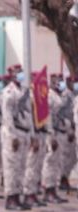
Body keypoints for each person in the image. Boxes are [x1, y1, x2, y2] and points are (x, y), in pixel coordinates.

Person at [1, 64, 33, 210]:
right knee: (11, 167)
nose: (19, 74)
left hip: (24, 132)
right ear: (12, 75)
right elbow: (7, 116)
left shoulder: (25, 91)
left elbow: (29, 114)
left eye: (21, 71)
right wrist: (12, 136)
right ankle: (10, 199)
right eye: (17, 72)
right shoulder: (8, 92)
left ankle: (17, 197)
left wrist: (32, 135)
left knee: (21, 167)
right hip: (13, 134)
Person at [22, 71, 49, 209]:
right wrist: (33, 136)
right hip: (33, 134)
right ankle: (27, 193)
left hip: (40, 133)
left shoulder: (40, 95)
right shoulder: (29, 96)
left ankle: (32, 193)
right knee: (31, 166)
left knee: (37, 166)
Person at [44, 73, 70, 203]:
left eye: (61, 80)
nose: (60, 82)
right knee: (50, 162)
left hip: (60, 132)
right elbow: (47, 116)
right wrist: (51, 134)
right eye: (58, 80)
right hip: (52, 133)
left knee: (57, 163)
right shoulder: (49, 95)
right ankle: (48, 190)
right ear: (52, 81)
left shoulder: (59, 95)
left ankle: (53, 189)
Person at [60, 75, 77, 194]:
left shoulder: (74, 95)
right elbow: (61, 114)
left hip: (73, 129)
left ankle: (65, 178)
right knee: (65, 157)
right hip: (67, 130)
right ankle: (62, 179)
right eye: (73, 82)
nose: (74, 84)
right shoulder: (65, 95)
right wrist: (68, 128)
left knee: (72, 158)